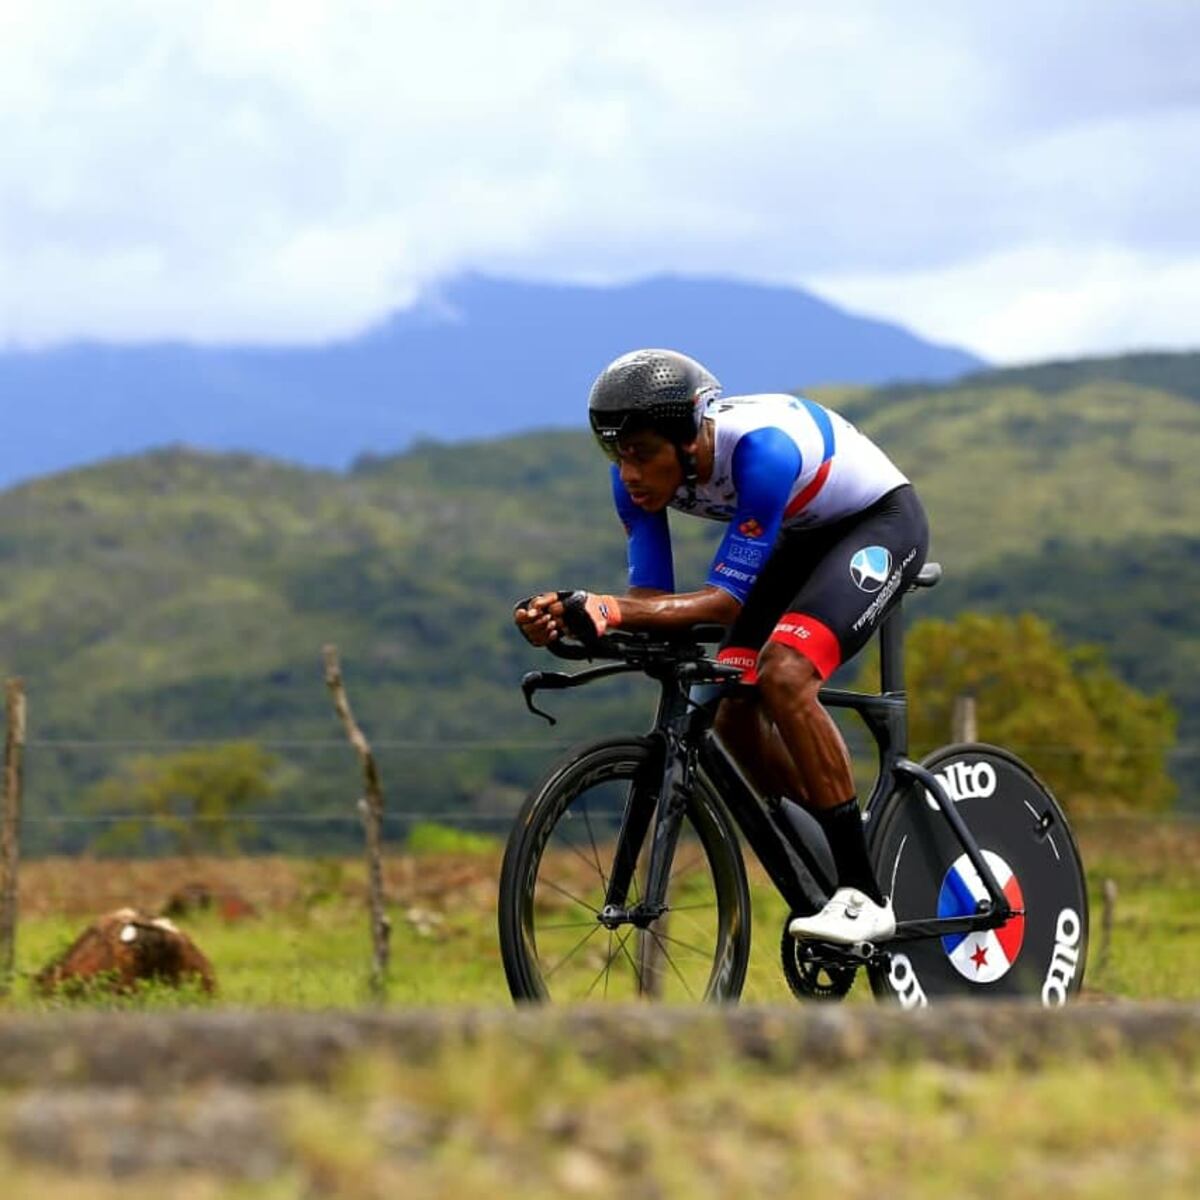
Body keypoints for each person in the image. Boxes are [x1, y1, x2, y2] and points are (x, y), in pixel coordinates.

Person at [515, 348, 929, 944]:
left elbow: (724, 603)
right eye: (616, 454)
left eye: (640, 454)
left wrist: (611, 608)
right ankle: (835, 838)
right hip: (801, 536)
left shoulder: (761, 452)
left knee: (785, 675)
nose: (628, 473)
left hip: (877, 522)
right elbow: (653, 607)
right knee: (734, 705)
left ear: (688, 441)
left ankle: (863, 892)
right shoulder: (633, 483)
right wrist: (574, 621)